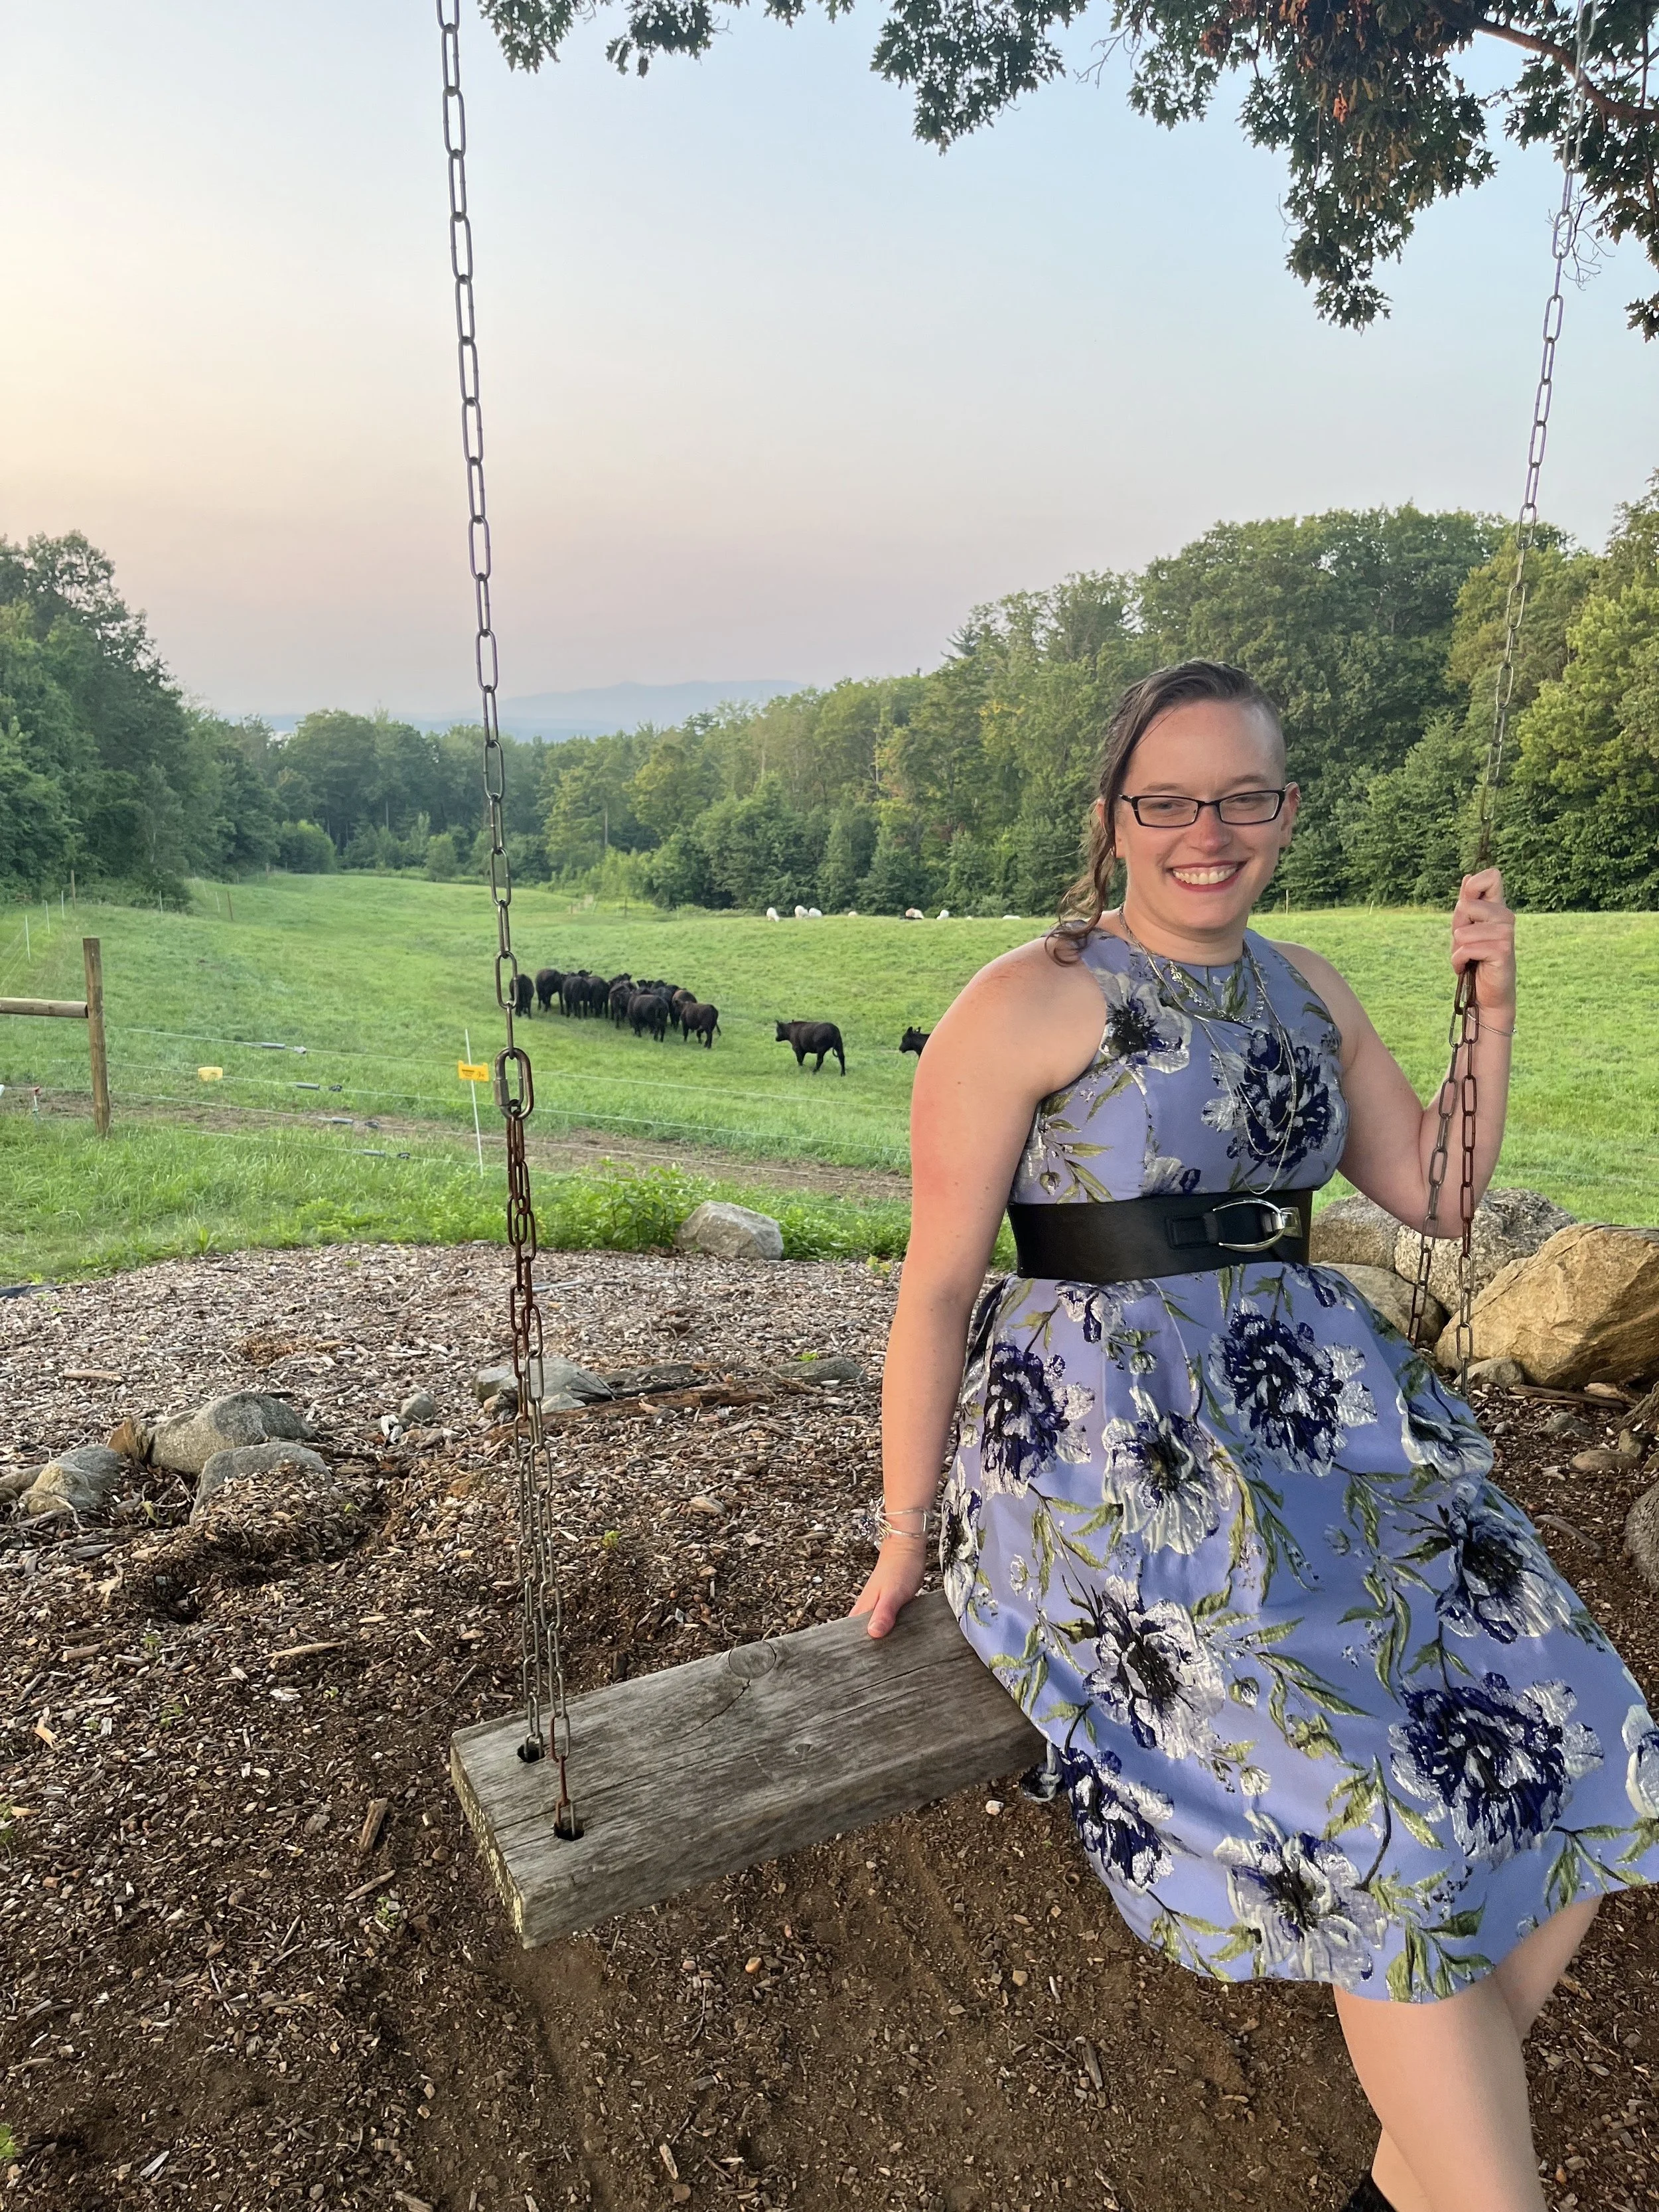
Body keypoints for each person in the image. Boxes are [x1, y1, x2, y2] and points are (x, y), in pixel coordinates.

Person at [853, 660, 1659, 2212]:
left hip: (1320, 1429)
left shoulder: (1306, 990)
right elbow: (940, 1276)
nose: (1204, 830)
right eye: (1168, 800)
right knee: (1386, 1831)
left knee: (1595, 1741)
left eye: (1240, 796)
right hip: (1112, 1456)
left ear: (1284, 812)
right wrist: (903, 1532)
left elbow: (1433, 1192)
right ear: (1113, 819)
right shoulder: (1031, 996)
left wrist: (1491, 1008)